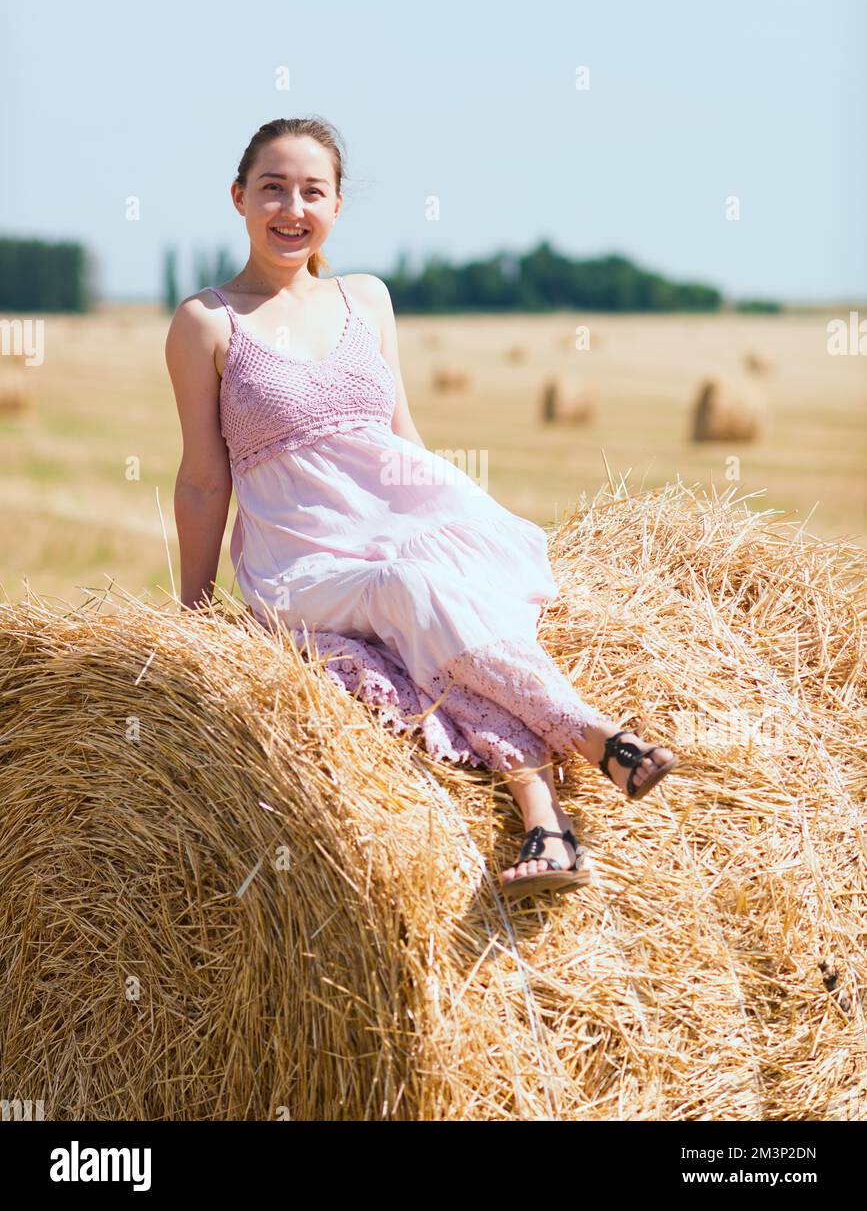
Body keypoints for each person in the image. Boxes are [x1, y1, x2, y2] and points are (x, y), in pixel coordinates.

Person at [164, 116, 678, 901]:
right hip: (299, 553)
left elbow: (401, 434)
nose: (290, 207)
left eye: (312, 191)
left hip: (396, 516)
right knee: (407, 587)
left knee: (428, 584)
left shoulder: (366, 298)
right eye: (271, 188)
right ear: (238, 198)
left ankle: (544, 815)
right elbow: (205, 477)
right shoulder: (207, 321)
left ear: (335, 207)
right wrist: (193, 613)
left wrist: (451, 515)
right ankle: (591, 733)